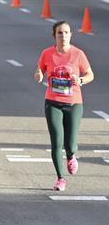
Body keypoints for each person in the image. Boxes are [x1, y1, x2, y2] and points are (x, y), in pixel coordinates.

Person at [34, 21, 94, 191]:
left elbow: (90, 75)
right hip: (52, 102)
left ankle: (71, 155)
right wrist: (38, 74)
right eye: (60, 33)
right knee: (56, 142)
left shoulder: (78, 54)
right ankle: (60, 178)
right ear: (55, 35)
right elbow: (39, 71)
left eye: (66, 32)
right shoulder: (47, 53)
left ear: (71, 35)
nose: (63, 36)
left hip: (74, 103)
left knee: (71, 143)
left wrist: (80, 80)